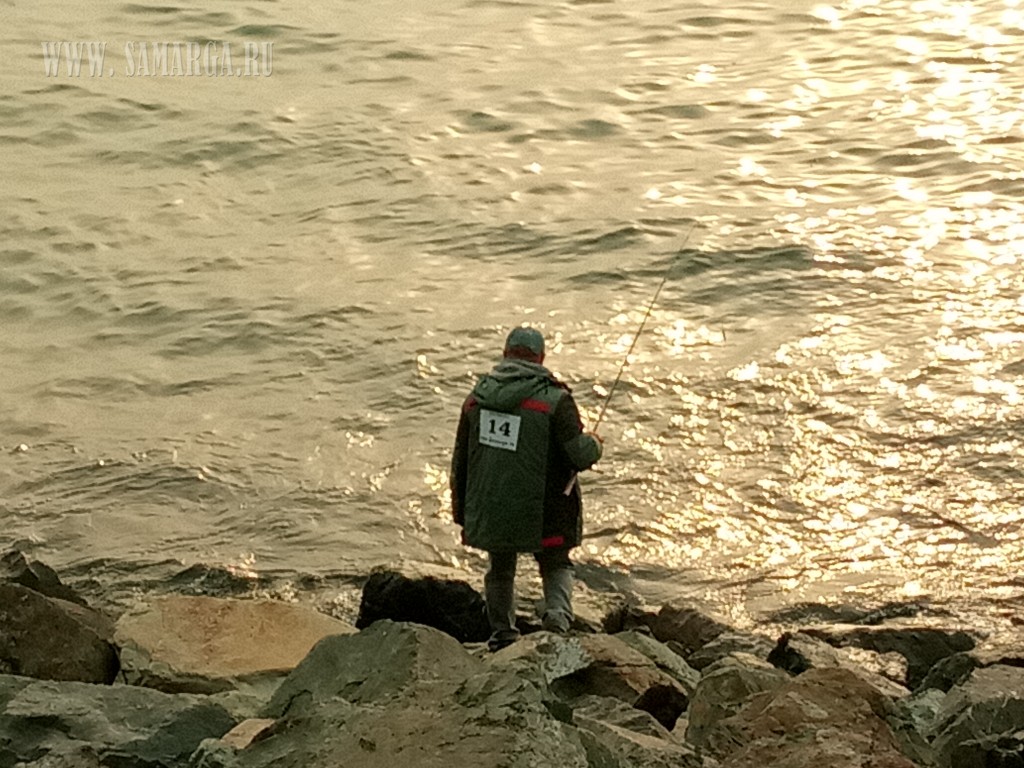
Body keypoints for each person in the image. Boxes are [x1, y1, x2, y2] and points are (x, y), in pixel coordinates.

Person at [450, 326, 603, 651]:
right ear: (541, 358)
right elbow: (579, 455)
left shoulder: (476, 400)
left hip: (493, 506)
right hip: (546, 510)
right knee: (556, 562)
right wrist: (595, 444)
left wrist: (461, 511)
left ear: (505, 354)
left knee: (500, 568)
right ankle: (557, 623)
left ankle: (502, 635)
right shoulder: (556, 401)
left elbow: (461, 461)